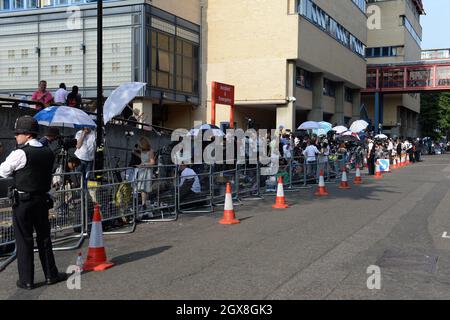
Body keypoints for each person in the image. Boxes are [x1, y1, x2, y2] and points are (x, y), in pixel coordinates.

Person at [0, 116, 67, 290]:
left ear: (27, 135)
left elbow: (3, 171)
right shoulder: (48, 151)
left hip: (23, 201)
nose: (16, 137)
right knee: (44, 239)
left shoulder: (20, 152)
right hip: (42, 200)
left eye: (18, 133)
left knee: (24, 241)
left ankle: (27, 280)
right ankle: (51, 275)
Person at [136, 137, 155, 211]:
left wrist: (144, 165)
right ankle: (144, 204)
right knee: (141, 188)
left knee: (145, 188)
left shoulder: (150, 151)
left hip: (147, 171)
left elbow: (152, 162)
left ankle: (144, 204)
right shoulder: (141, 151)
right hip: (142, 170)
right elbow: (143, 158)